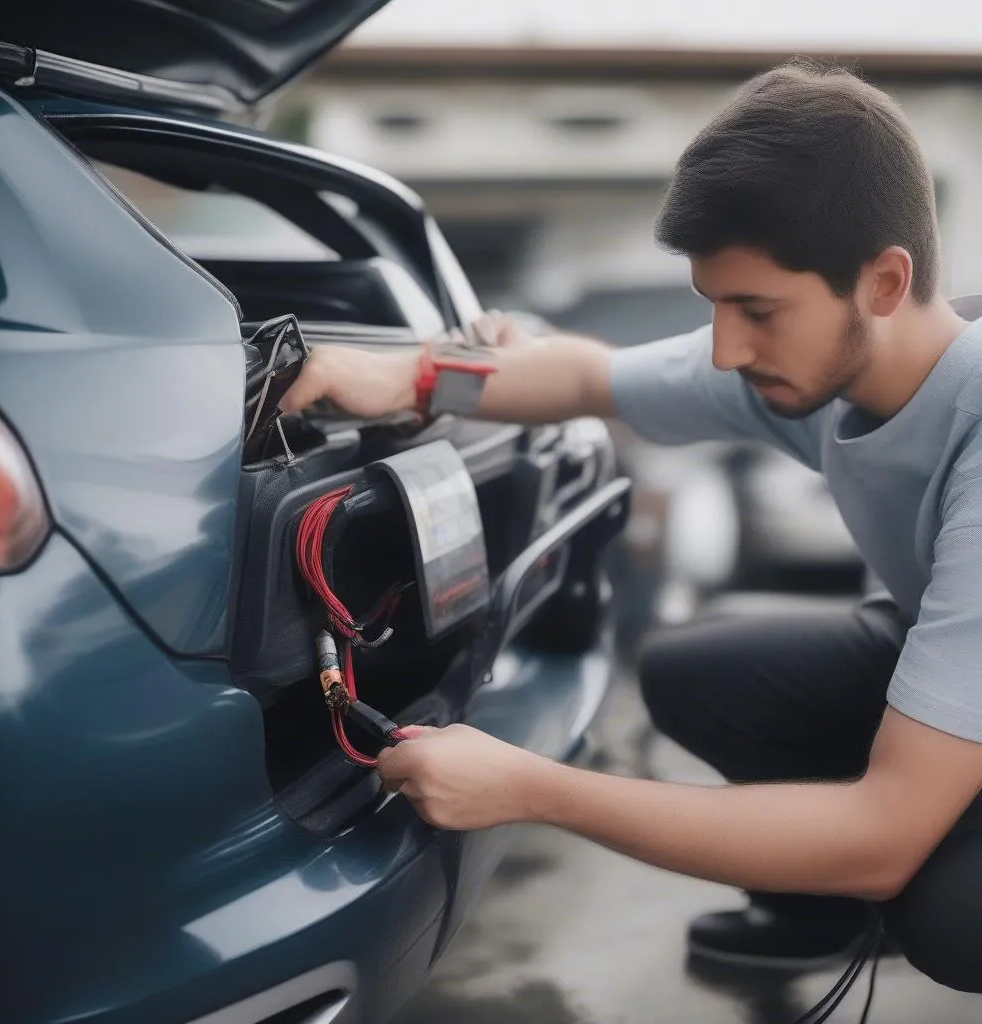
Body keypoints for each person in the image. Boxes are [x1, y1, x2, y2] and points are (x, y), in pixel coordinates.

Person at [280, 61, 982, 994]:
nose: (730, 349)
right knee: (697, 675)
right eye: (717, 307)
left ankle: (865, 884)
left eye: (757, 311)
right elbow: (585, 376)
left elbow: (884, 835)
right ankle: (821, 907)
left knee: (947, 906)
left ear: (884, 282)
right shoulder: (818, 358)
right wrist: (411, 375)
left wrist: (527, 788)